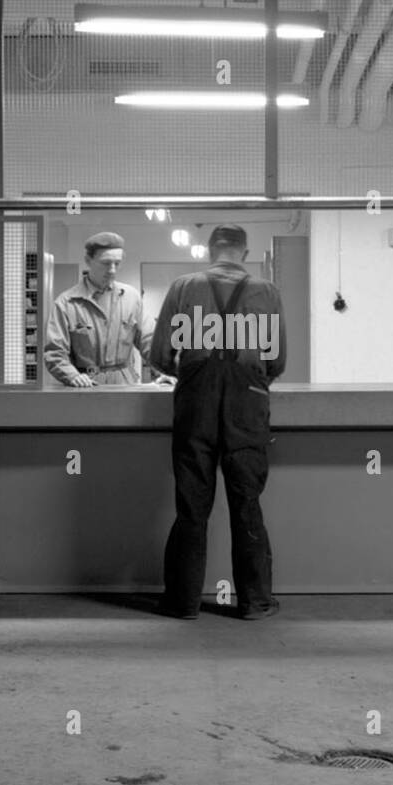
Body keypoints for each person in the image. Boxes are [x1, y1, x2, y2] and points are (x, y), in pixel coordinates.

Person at [149, 225, 286, 620]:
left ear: (211, 251)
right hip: (248, 408)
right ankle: (255, 602)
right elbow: (276, 362)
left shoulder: (182, 288)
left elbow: (160, 355)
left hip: (196, 406)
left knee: (192, 507)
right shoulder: (267, 292)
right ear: (245, 253)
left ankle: (183, 601)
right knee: (247, 504)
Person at [43, 231, 163, 387]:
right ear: (88, 260)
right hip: (85, 385)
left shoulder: (131, 298)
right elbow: (54, 352)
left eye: (117, 263)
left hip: (125, 385)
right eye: (106, 263)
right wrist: (71, 376)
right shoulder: (67, 303)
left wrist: (163, 371)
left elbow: (150, 342)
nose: (112, 270)